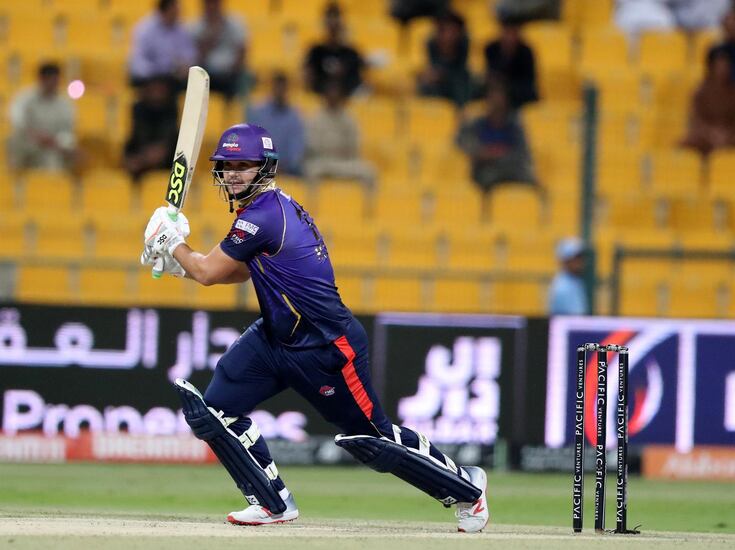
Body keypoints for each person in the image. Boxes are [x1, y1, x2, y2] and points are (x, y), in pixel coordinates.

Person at [139, 123, 489, 532]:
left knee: (372, 441)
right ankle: (272, 503)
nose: (233, 173)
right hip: (275, 339)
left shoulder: (264, 216)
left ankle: (468, 489)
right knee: (214, 412)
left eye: (243, 165)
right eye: (227, 165)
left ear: (265, 168)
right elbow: (235, 271)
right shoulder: (261, 214)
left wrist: (172, 243)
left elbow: (209, 272)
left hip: (327, 347)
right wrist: (179, 261)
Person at [680, 48, 735, 157]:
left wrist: (727, 135)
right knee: (683, 144)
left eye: (726, 66)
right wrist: (711, 133)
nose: (723, 70)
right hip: (706, 138)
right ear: (711, 67)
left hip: (732, 137)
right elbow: (696, 121)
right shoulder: (700, 92)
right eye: (719, 66)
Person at [456, 83, 536, 192]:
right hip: (487, 170)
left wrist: (498, 155)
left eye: (499, 97)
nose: (496, 101)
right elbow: (461, 142)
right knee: (486, 180)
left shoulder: (514, 126)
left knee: (531, 182)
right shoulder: (478, 124)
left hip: (510, 168)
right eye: (492, 97)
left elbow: (521, 152)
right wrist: (481, 152)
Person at [304, 81, 376, 189]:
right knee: (310, 170)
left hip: (345, 163)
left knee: (369, 172)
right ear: (325, 97)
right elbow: (312, 146)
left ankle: (368, 206)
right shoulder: (316, 118)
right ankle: (310, 205)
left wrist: (342, 154)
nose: (333, 98)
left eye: (336, 95)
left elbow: (354, 146)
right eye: (330, 95)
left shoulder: (349, 119)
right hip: (324, 162)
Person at [7, 62, 76, 171]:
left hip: (51, 147)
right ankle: (14, 178)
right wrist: (36, 135)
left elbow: (67, 132)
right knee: (13, 141)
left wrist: (54, 142)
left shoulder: (65, 104)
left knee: (56, 159)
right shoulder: (24, 98)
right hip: (26, 141)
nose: (53, 84)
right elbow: (17, 121)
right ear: (41, 79)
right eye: (50, 80)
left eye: (56, 80)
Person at [246, 71, 305, 176]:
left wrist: (284, 166)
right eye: (277, 87)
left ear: (287, 90)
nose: (280, 91)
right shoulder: (257, 113)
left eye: (283, 88)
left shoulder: (294, 117)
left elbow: (296, 149)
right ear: (272, 88)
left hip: (287, 171)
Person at [128, 0, 197, 90]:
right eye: (174, 12)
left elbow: (189, 53)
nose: (177, 16)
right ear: (165, 11)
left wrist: (185, 65)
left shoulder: (180, 29)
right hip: (149, 77)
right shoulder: (145, 29)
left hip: (172, 78)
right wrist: (155, 75)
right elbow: (138, 61)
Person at [123, 76, 179, 181]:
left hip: (169, 170)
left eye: (160, 88)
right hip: (140, 173)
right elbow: (129, 156)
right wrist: (143, 158)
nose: (156, 93)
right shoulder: (138, 112)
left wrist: (162, 153)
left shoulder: (172, 113)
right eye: (153, 88)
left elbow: (171, 140)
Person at [189, 0, 248, 101]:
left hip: (231, 73)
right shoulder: (196, 27)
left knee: (245, 78)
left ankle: (237, 111)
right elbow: (196, 57)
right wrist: (210, 37)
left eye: (215, 3)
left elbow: (242, 50)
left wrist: (233, 70)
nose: (212, 7)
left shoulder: (235, 23)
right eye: (209, 3)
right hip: (207, 73)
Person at [304, 2, 365, 97]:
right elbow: (308, 84)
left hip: (345, 103)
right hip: (320, 103)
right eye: (329, 20)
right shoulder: (315, 52)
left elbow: (357, 84)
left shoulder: (351, 54)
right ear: (324, 24)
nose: (332, 26)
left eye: (336, 21)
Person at [417, 10, 476, 108]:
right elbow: (427, 68)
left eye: (453, 31)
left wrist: (443, 74)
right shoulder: (431, 44)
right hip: (438, 84)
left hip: (459, 81)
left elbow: (463, 69)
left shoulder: (464, 44)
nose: (448, 36)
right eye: (444, 31)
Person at [484, 19, 539, 109]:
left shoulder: (526, 52)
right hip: (497, 90)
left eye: (513, 33)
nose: (510, 38)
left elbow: (529, 82)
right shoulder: (491, 49)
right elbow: (491, 75)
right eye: (507, 33)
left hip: (520, 95)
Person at [548, 238, 589, 316]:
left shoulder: (576, 281)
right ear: (566, 260)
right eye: (576, 258)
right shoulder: (562, 287)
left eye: (581, 257)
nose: (580, 262)